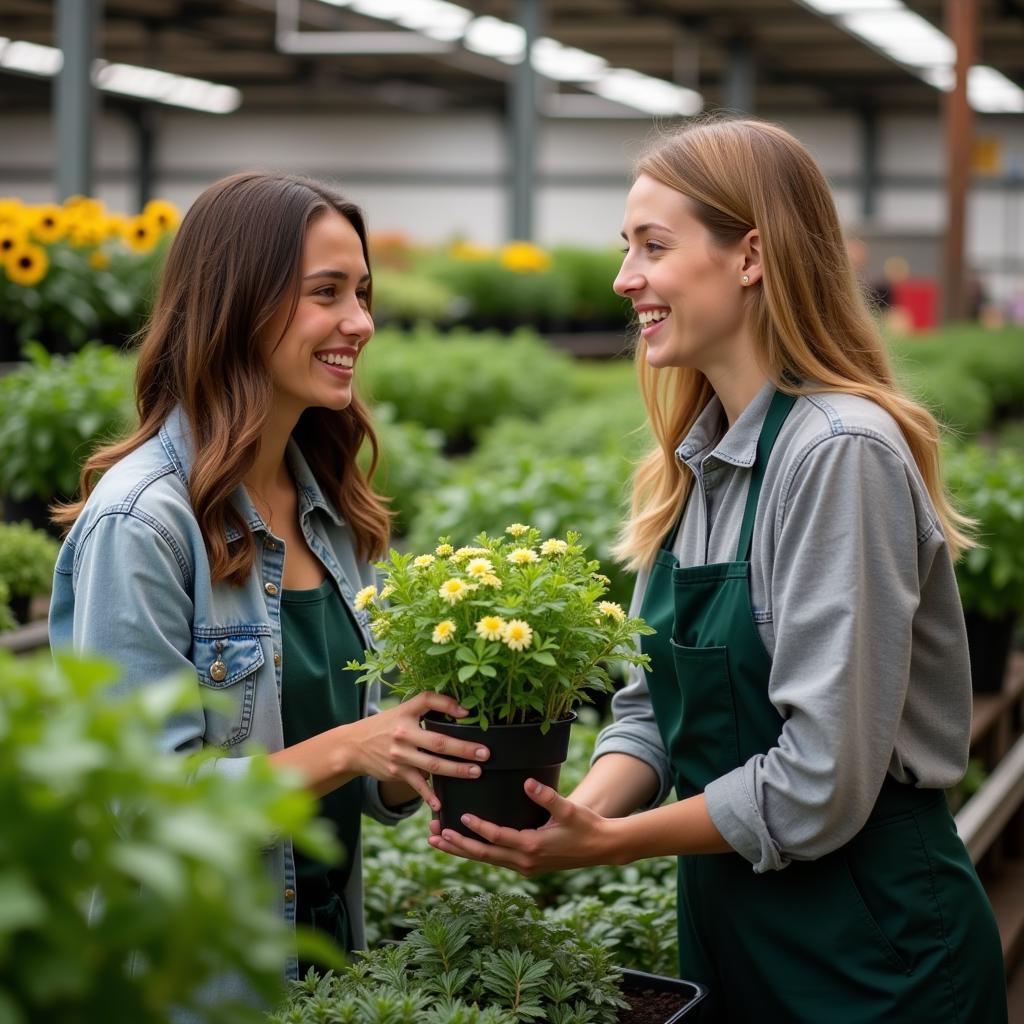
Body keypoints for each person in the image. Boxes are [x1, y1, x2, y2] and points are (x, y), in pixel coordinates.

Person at [428, 119, 1008, 1023]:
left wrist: (612, 844)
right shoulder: (699, 464)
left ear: (751, 256)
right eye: (628, 248)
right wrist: (560, 815)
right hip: (732, 930)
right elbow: (653, 712)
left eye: (652, 247)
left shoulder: (838, 454)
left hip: (871, 951)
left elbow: (820, 781)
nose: (625, 280)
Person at [48, 172, 489, 998]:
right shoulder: (142, 524)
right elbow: (144, 809)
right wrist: (352, 747)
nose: (359, 322)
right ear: (237, 306)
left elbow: (366, 780)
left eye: (362, 292)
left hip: (325, 963)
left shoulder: (329, 506)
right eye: (327, 293)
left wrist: (425, 747)